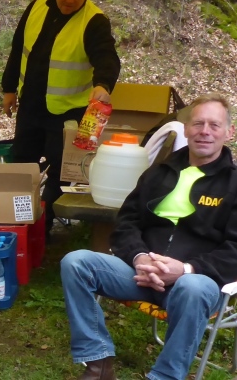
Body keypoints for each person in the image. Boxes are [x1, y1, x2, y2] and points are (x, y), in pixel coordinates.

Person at [61, 93, 237, 380]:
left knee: (192, 288)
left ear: (229, 132)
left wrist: (185, 269)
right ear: (186, 129)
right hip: (141, 275)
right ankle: (98, 363)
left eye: (214, 125)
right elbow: (127, 221)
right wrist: (140, 258)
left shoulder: (233, 184)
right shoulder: (159, 172)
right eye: (198, 123)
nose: (205, 131)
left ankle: (165, 376)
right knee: (76, 262)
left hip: (196, 284)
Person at [1, 0, 120, 239]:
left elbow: (107, 57)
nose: (69, 0)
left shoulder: (94, 20)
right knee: (22, 165)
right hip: (31, 106)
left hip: (68, 113)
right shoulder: (37, 6)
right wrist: (9, 88)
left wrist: (103, 85)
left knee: (60, 172)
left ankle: (42, 228)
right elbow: (18, 47)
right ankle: (20, 225)